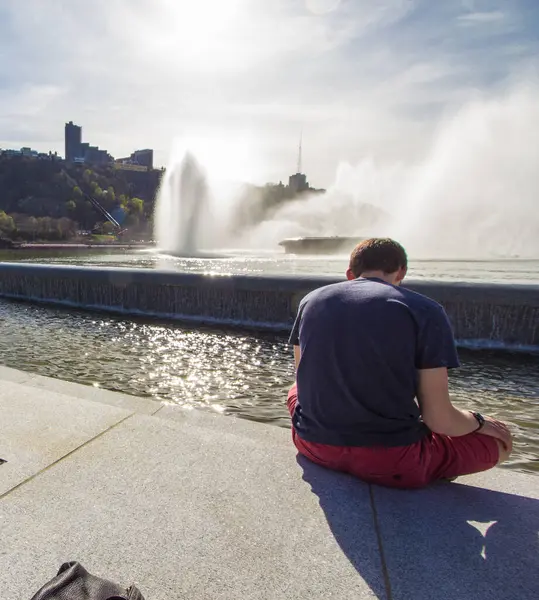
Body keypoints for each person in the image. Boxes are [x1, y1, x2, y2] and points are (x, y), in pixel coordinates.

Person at [288, 238, 513, 489]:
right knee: (499, 443)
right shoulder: (425, 310)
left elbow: (303, 378)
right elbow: (439, 419)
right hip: (393, 462)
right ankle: (435, 466)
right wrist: (480, 421)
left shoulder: (310, 300)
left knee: (295, 389)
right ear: (401, 272)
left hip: (313, 445)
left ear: (350, 274)